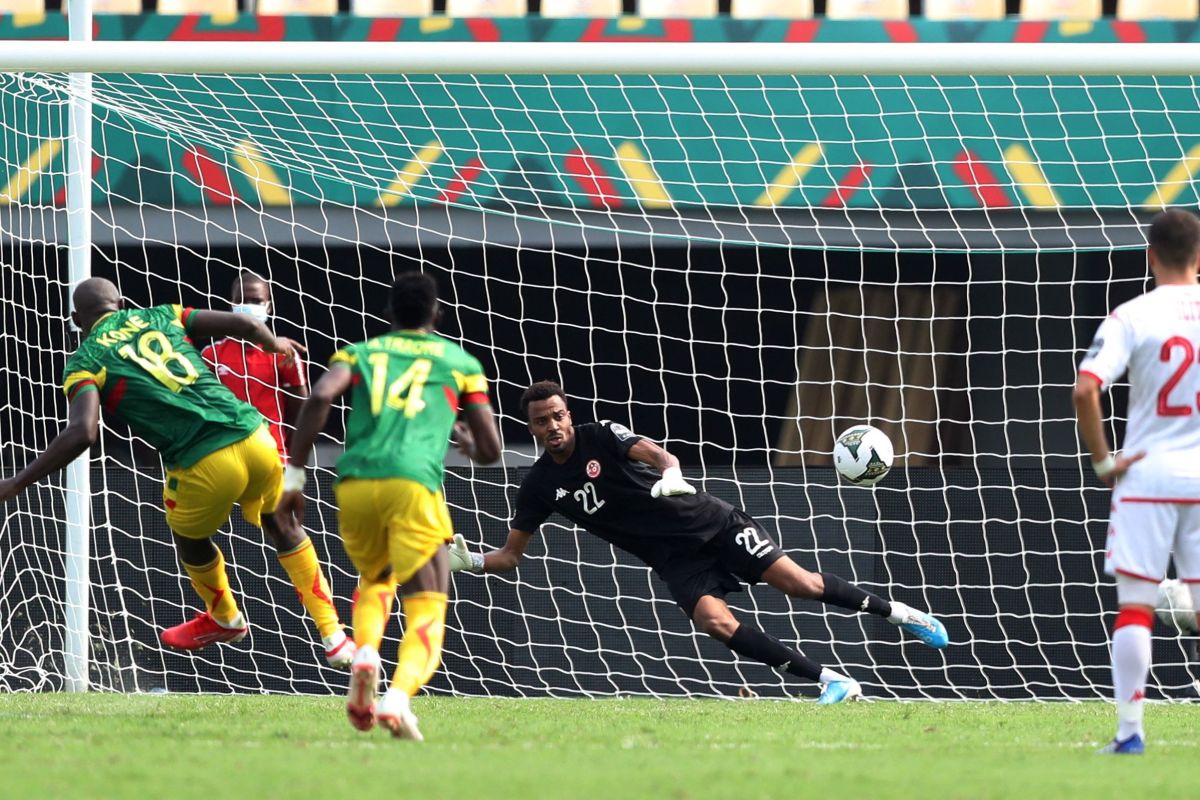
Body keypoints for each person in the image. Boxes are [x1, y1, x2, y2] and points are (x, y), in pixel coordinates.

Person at [449, 381, 949, 704]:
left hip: (708, 522)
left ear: (567, 412)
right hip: (671, 558)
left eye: (558, 415)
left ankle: (902, 615)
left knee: (801, 584)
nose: (553, 426)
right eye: (542, 421)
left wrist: (671, 474)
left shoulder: (600, 434)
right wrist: (471, 560)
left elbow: (657, 454)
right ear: (531, 428)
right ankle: (831, 681)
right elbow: (512, 556)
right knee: (714, 622)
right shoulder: (538, 485)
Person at [0, 278, 354, 669]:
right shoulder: (163, 313)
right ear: (121, 303)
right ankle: (334, 636)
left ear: (74, 319)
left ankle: (224, 616)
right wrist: (276, 344)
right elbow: (250, 327)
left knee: (190, 538)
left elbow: (83, 432)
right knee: (283, 525)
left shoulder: (84, 362)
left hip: (203, 459)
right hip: (257, 436)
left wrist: (18, 482)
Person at [278, 271, 501, 741]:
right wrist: (467, 443)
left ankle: (364, 653)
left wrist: (294, 476)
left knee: (376, 579)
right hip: (413, 485)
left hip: (355, 484)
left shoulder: (359, 353)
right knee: (427, 602)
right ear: (436, 314)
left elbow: (319, 396)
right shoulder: (459, 362)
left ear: (389, 315)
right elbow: (492, 449)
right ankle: (397, 699)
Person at [1075, 207, 1200, 755]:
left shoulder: (1132, 314)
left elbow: (1085, 390)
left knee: (1135, 607)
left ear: (1150, 255)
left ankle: (1130, 734)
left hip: (1147, 474)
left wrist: (1105, 463)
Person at [202, 272, 307, 461]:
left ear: (269, 307)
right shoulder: (211, 355)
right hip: (224, 458)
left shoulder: (285, 354)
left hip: (273, 457)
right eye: (242, 300)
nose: (248, 306)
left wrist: (288, 452)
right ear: (232, 304)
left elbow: (301, 414)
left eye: (256, 301)